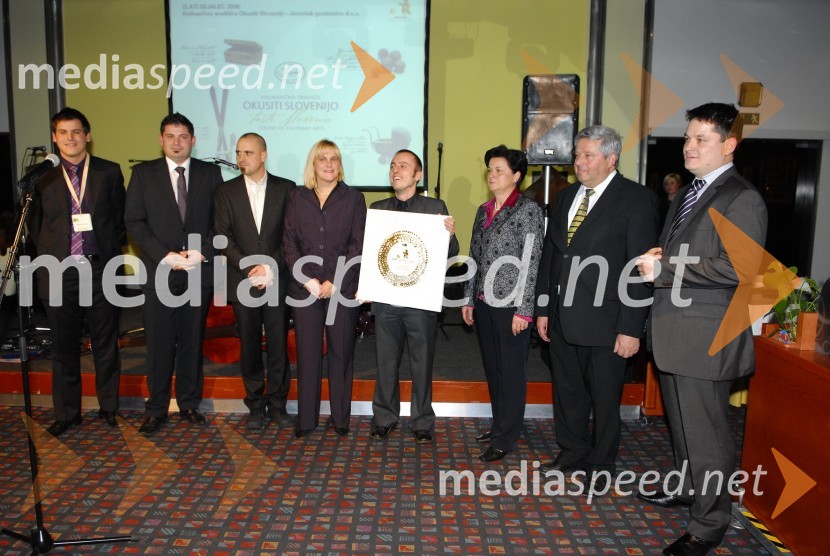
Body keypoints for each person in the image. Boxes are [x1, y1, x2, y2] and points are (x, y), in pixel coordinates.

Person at [636, 103, 767, 556]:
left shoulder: (740, 197)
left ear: (728, 145)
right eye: (688, 138)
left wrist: (665, 266)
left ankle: (709, 524)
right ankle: (688, 489)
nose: (689, 147)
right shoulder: (691, 192)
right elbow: (698, 252)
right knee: (683, 428)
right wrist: (665, 252)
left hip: (707, 338)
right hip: (676, 334)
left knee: (707, 436)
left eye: (701, 140)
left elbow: (742, 267)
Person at [534, 126, 659, 488]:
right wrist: (544, 306)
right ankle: (572, 451)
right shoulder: (566, 196)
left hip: (608, 322)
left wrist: (631, 327)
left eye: (588, 155)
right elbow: (551, 255)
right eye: (577, 155)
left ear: (611, 158)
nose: (579, 162)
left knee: (605, 401)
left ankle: (601, 466)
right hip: (562, 316)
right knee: (568, 393)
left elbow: (641, 268)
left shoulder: (636, 200)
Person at [29, 107, 126, 437]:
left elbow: (118, 221)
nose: (70, 138)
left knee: (105, 342)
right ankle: (67, 413)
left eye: (76, 132)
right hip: (58, 272)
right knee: (64, 346)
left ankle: (109, 407)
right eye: (63, 132)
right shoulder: (40, 176)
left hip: (100, 269)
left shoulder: (108, 172)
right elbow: (34, 226)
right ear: (54, 138)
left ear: (88, 135)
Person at [125, 113, 223, 436]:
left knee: (192, 340)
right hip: (160, 271)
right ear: (161, 139)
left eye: (183, 136)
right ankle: (156, 408)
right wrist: (164, 255)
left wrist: (203, 251)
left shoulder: (211, 174)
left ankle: (190, 403)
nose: (177, 142)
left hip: (198, 270)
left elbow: (221, 222)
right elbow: (134, 222)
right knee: (159, 342)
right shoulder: (142, 174)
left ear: (193, 140)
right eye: (170, 136)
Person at [368, 149, 459, 444]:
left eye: (404, 166)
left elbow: (452, 252)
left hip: (421, 302)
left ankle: (421, 421)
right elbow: (369, 255)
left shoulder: (435, 207)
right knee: (385, 362)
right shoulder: (379, 208)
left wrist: (449, 234)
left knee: (421, 362)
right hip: (386, 300)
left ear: (418, 175)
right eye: (393, 165)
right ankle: (384, 417)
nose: (396, 170)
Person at [461, 145, 544, 462]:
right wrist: (469, 297)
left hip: (512, 305)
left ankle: (505, 437)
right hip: (483, 300)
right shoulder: (483, 210)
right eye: (490, 170)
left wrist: (525, 309)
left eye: (499, 170)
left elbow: (532, 261)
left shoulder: (528, 210)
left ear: (517, 176)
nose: (492, 175)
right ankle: (500, 425)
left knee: (511, 371)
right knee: (494, 369)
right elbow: (474, 257)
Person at [283, 139, 366, 438]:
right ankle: (306, 420)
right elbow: (288, 243)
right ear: (313, 164)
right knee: (306, 355)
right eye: (322, 159)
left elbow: (358, 244)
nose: (329, 164)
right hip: (304, 288)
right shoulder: (296, 198)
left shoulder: (354, 199)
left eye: (334, 158)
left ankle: (340, 419)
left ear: (339, 164)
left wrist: (334, 280)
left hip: (341, 288)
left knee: (341, 354)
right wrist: (309, 281)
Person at [214, 133, 295, 430]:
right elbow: (223, 236)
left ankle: (277, 404)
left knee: (277, 344)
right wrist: (251, 268)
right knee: (248, 344)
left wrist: (269, 267)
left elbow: (290, 235)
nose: (242, 158)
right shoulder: (225, 191)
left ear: (264, 155)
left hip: (277, 279)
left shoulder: (286, 189)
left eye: (248, 152)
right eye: (238, 153)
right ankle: (254, 404)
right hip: (242, 278)